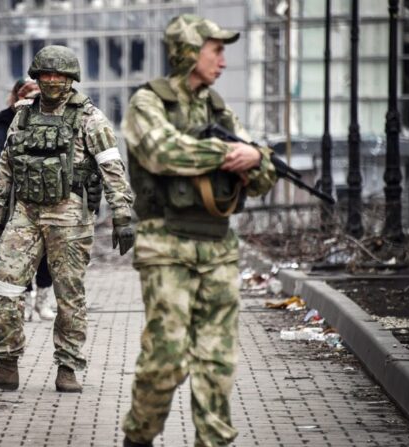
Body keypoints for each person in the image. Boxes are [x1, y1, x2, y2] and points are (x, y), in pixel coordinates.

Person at [120, 15, 277, 447]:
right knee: (166, 360)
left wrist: (256, 158)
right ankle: (139, 437)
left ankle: (214, 441)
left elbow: (262, 175)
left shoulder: (218, 108)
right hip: (166, 245)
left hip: (219, 248)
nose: (223, 61)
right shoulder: (147, 102)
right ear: (189, 52)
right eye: (217, 50)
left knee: (216, 361)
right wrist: (232, 153)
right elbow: (162, 152)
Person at [0, 45, 135, 393]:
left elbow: (112, 169)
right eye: (46, 75)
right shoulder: (23, 116)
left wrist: (122, 215)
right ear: (36, 77)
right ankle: (6, 364)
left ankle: (68, 367)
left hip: (70, 217)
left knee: (69, 295)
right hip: (25, 214)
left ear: (72, 79)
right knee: (5, 287)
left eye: (60, 75)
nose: (53, 81)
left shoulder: (91, 119)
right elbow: (6, 170)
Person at [0, 78, 56, 321]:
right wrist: (21, 164)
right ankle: (25, 302)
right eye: (27, 98)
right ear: (17, 97)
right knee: (20, 252)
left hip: (49, 197)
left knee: (48, 251)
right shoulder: (6, 119)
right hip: (17, 196)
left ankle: (43, 302)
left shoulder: (53, 118)